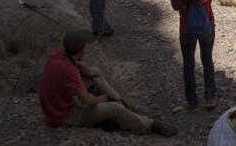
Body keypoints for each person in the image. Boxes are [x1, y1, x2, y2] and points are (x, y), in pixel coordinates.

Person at [39, 30, 176, 135]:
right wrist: (102, 99)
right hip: (65, 116)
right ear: (81, 50)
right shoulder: (69, 72)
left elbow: (77, 65)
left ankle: (121, 102)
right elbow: (89, 101)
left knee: (96, 75)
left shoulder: (58, 54)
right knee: (115, 109)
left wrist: (90, 72)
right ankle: (150, 125)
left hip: (57, 106)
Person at [170, 0, 217, 110]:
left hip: (187, 28)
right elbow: (209, 0)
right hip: (206, 26)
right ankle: (210, 98)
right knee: (207, 61)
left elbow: (176, 7)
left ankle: (192, 101)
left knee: (188, 64)